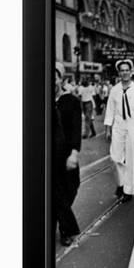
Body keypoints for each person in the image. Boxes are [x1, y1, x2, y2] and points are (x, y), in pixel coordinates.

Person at [104, 59, 134, 202]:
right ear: (119, 72)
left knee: (130, 158)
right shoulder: (115, 90)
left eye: (127, 70)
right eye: (122, 70)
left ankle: (128, 190)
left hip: (132, 126)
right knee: (115, 157)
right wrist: (108, 128)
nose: (124, 73)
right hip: (118, 126)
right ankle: (121, 183)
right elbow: (110, 110)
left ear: (131, 71)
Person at [54, 62, 82, 246]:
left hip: (66, 155)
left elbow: (75, 129)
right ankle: (67, 230)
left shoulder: (71, 101)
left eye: (54, 76)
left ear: (60, 79)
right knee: (56, 193)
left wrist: (74, 153)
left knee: (71, 188)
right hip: (48, 157)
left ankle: (62, 222)